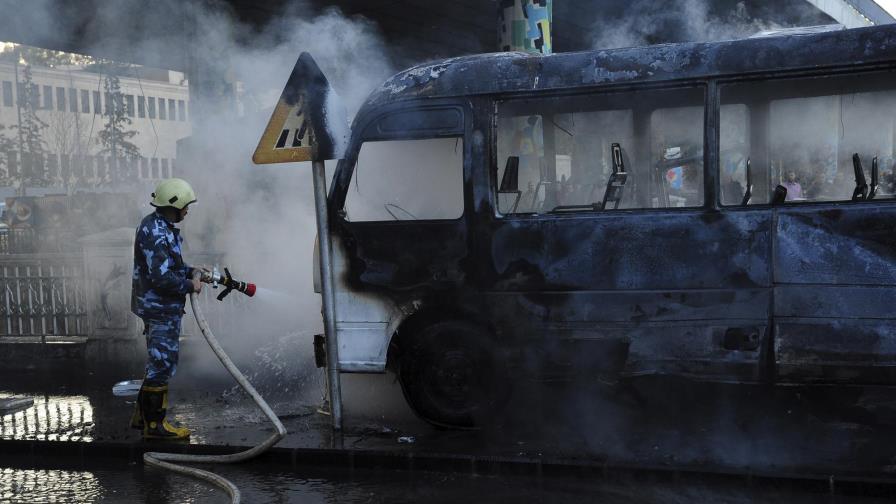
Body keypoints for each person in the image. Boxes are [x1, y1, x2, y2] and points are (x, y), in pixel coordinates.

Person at [130, 178, 205, 440]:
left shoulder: (160, 227)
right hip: (159, 308)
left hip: (159, 307)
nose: (187, 211)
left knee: (157, 363)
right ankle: (155, 428)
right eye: (186, 206)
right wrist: (190, 285)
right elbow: (161, 278)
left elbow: (167, 267)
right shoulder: (158, 233)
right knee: (161, 364)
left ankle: (143, 418)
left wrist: (191, 271)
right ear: (174, 205)